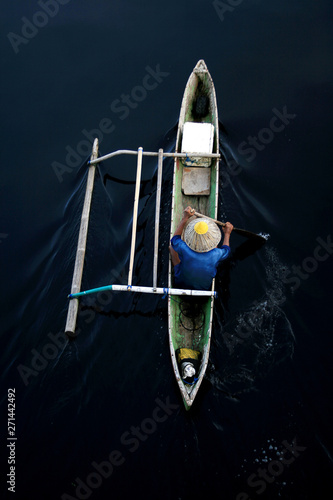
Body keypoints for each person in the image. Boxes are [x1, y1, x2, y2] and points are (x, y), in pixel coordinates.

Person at [169, 206, 233, 290]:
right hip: (204, 288)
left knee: (171, 248)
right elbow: (226, 250)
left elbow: (174, 239)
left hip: (181, 284)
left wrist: (185, 218)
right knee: (215, 249)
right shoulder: (216, 254)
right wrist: (227, 233)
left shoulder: (184, 248)